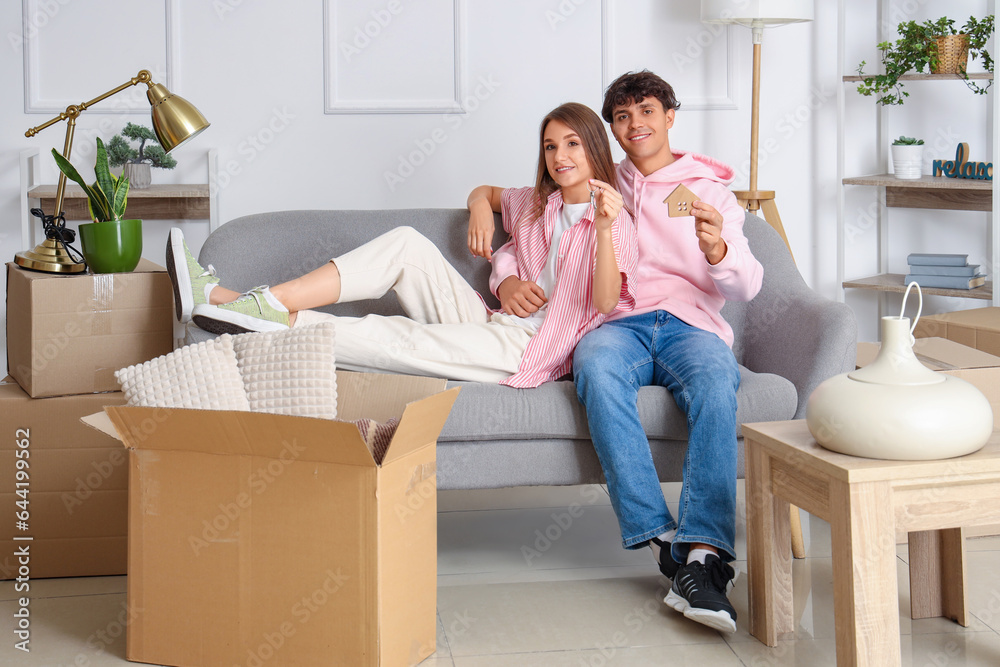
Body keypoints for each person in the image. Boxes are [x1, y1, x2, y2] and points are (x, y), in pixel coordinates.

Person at [493, 71, 764, 633]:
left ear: (669, 117)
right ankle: (661, 537)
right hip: (617, 322)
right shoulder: (597, 179)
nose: (634, 123)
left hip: (691, 324)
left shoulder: (706, 191)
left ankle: (704, 553)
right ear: (611, 129)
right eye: (621, 116)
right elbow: (527, 221)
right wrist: (485, 224)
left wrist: (718, 252)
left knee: (718, 382)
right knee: (593, 366)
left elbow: (747, 287)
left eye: (646, 110)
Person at [167, 102, 637, 389]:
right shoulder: (540, 204)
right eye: (551, 147)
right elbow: (487, 194)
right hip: (496, 320)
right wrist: (479, 211)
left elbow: (604, 302)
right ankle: (267, 303)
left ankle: (240, 309)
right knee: (407, 245)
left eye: (572, 144)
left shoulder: (616, 220)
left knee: (402, 338)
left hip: (531, 347)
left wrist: (600, 229)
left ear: (594, 147)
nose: (560, 157)